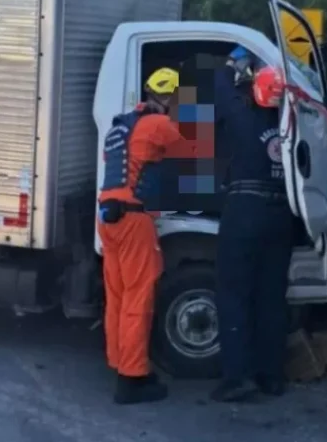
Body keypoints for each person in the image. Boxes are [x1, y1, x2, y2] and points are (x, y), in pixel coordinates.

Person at [209, 46, 296, 402]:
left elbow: (219, 87)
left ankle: (237, 377)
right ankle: (271, 376)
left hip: (245, 209)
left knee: (234, 294)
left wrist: (232, 64)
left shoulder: (243, 118)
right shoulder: (292, 128)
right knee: (272, 298)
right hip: (282, 216)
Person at [97, 67, 183, 405]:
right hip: (134, 220)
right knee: (138, 298)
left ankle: (120, 363)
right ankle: (132, 379)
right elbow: (190, 149)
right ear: (169, 96)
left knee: (117, 298)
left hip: (107, 216)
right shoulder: (158, 125)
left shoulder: (121, 124)